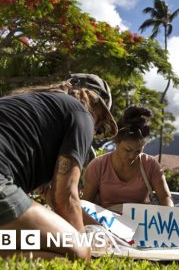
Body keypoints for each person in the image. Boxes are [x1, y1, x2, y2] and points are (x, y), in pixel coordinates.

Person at [0, 76, 118, 260]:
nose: (96, 129)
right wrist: (83, 246)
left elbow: (52, 195)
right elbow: (66, 196)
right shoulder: (82, 114)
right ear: (97, 107)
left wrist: (99, 229)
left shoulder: (35, 108)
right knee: (79, 252)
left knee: (22, 238)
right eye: (101, 124)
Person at [82, 105, 173, 213]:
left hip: (140, 224)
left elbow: (166, 198)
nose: (132, 156)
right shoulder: (98, 165)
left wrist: (168, 215)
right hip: (105, 225)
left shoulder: (151, 165)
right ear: (116, 142)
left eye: (138, 151)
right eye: (127, 150)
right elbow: (86, 205)